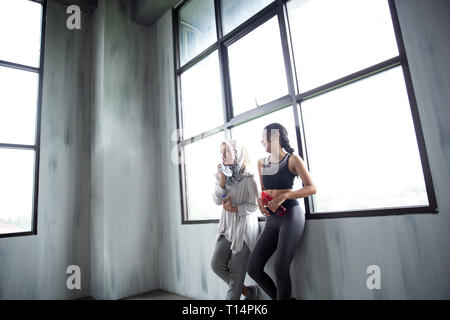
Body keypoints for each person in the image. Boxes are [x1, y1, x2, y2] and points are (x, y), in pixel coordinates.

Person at [247, 123, 317, 300]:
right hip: (272, 219)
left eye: (264, 137)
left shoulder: (292, 160)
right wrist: (260, 200)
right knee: (253, 268)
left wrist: (285, 195)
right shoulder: (263, 162)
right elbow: (264, 190)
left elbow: (311, 188)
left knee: (281, 268)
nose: (261, 140)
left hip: (291, 215)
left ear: (275, 137)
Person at [211, 139, 260, 300]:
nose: (223, 155)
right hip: (227, 227)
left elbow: (255, 205)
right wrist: (222, 181)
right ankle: (248, 292)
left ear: (237, 154)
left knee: (236, 274)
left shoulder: (249, 179)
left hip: (244, 228)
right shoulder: (221, 176)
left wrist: (236, 209)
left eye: (227, 151)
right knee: (216, 264)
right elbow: (218, 201)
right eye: (221, 152)